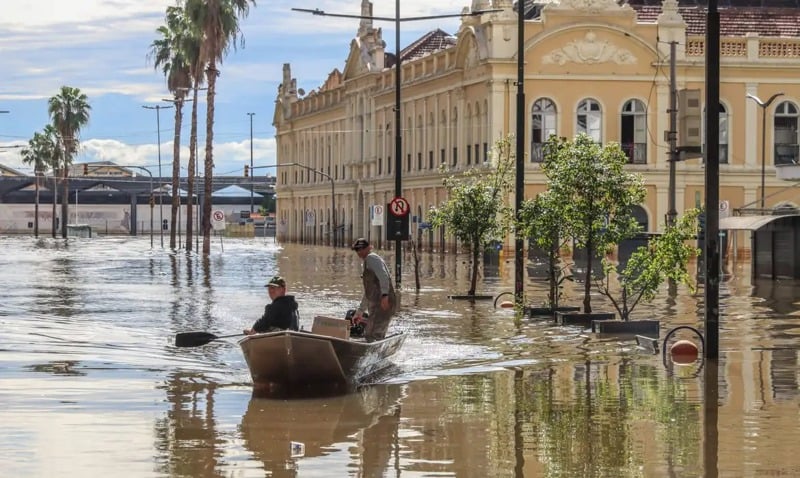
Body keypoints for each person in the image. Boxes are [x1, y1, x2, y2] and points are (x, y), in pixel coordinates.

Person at [351, 238, 397, 341]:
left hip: (382, 304)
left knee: (373, 335)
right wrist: (360, 312)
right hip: (376, 306)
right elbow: (368, 292)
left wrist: (385, 296)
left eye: (361, 249)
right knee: (371, 333)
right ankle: (375, 353)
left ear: (369, 248)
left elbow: (384, 276)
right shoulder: (367, 262)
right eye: (357, 249)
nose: (359, 252)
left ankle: (374, 355)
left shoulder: (371, 258)